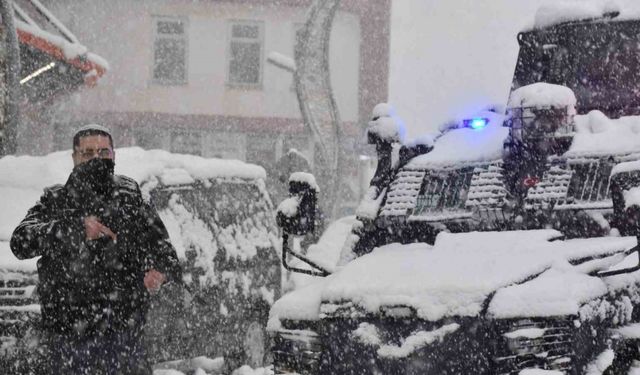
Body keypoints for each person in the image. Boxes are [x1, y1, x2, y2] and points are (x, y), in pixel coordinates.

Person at [10, 124, 181, 375]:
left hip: (122, 336)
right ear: (74, 157)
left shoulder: (130, 197)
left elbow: (165, 253)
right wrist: (75, 229)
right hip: (67, 336)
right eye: (88, 153)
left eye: (103, 153)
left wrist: (158, 272)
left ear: (114, 155)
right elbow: (20, 242)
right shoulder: (57, 200)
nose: (96, 160)